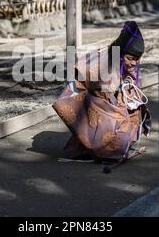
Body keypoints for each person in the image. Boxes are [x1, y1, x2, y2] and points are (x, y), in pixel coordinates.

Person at [53, 21, 151, 161]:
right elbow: (101, 90)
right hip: (86, 96)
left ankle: (110, 146)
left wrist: (129, 97)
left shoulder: (124, 62)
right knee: (116, 120)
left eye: (137, 59)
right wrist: (119, 102)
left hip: (105, 96)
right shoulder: (103, 64)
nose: (134, 63)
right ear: (121, 54)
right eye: (130, 59)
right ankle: (104, 150)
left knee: (136, 111)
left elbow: (128, 86)